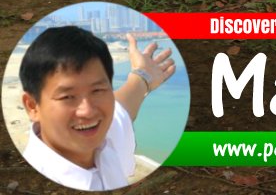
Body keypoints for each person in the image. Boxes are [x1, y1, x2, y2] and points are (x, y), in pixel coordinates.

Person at [19, 27, 175, 191]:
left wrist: (143, 76)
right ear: (32, 106)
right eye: (67, 97)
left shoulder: (104, 138)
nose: (87, 111)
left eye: (97, 90)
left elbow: (123, 107)